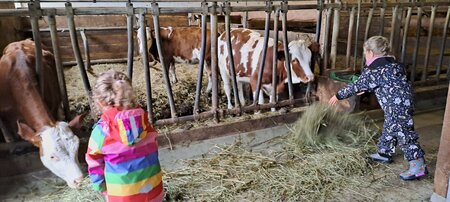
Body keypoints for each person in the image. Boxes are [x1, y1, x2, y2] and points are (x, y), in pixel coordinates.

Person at [328, 36, 427, 180]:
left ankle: (418, 165)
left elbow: (356, 86)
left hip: (395, 106)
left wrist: (337, 96)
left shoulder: (373, 70)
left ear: (370, 52)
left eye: (365, 53)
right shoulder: (395, 65)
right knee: (390, 125)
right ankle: (385, 152)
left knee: (403, 133)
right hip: (406, 101)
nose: (365, 57)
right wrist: (367, 88)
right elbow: (386, 82)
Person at [86, 70, 164, 201]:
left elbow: (94, 163)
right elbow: (153, 147)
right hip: (154, 190)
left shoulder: (101, 132)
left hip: (122, 196)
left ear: (100, 103)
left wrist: (101, 187)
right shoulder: (144, 122)